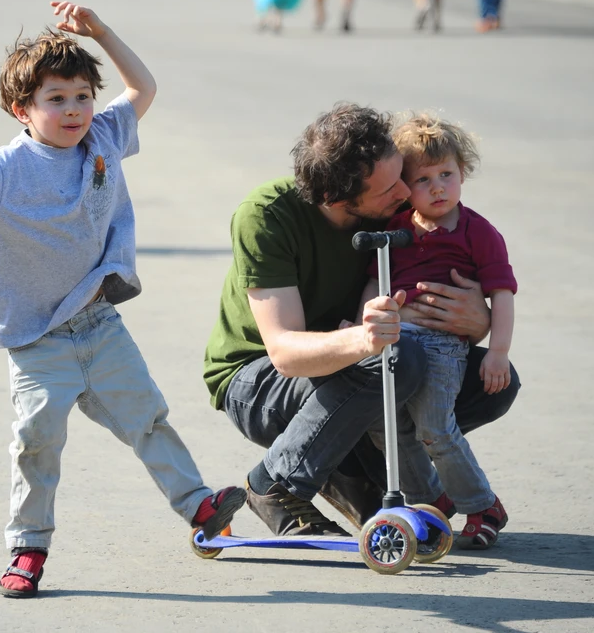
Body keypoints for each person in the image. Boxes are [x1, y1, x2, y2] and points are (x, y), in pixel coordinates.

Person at [0, 1, 246, 598]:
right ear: (21, 109)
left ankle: (201, 509)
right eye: (56, 98)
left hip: (98, 325)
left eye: (82, 94)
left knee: (148, 419)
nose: (74, 109)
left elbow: (144, 87)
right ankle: (28, 550)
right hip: (36, 341)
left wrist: (100, 31)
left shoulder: (103, 133)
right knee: (36, 443)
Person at [203, 102, 520, 539]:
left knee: (491, 382)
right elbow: (286, 353)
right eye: (393, 187)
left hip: (363, 368)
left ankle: (355, 467)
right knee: (398, 359)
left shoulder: (397, 215)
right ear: (339, 200)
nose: (407, 194)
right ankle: (276, 485)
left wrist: (478, 322)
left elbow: (447, 284)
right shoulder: (266, 216)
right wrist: (364, 339)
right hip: (259, 381)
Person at [357, 113, 515, 549]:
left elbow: (502, 294)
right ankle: (431, 501)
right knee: (381, 423)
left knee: (433, 426)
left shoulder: (477, 232)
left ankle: (483, 506)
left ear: (463, 173)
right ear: (406, 187)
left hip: (445, 345)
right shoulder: (395, 230)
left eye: (446, 174)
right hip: (395, 341)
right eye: (423, 179)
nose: (438, 187)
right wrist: (359, 326)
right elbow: (375, 283)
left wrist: (497, 351)